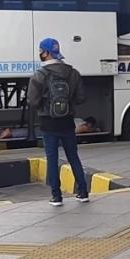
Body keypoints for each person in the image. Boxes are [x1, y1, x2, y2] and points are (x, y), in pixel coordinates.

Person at [26, 37, 89, 206]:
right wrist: (67, 105)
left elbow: (32, 101)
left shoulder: (39, 75)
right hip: (67, 121)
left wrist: (44, 106)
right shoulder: (73, 73)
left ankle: (56, 196)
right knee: (73, 157)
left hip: (48, 123)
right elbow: (81, 97)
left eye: (40, 51)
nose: (39, 54)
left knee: (52, 159)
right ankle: (83, 192)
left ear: (46, 53)